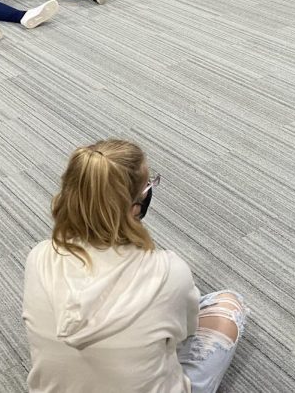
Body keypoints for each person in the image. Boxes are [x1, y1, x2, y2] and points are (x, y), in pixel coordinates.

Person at [23, 139, 247, 393]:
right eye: (148, 185)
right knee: (228, 303)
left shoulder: (39, 257)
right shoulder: (168, 270)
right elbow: (186, 330)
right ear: (133, 208)